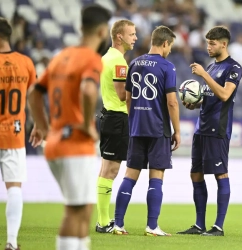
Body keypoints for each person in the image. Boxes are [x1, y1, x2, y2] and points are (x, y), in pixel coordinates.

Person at [27, 5, 111, 250]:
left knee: (81, 210)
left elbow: (34, 93)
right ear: (102, 31)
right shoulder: (91, 59)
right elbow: (87, 89)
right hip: (75, 144)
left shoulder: (61, 55)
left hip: (54, 143)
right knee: (76, 211)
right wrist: (87, 125)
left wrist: (42, 127)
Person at [112, 25, 180, 236]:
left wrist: (134, 120)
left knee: (130, 175)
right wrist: (177, 130)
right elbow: (172, 102)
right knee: (156, 177)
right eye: (170, 46)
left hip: (137, 127)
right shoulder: (167, 67)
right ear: (165, 43)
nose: (169, 51)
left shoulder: (134, 62)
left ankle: (118, 224)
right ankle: (152, 226)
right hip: (158, 129)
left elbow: (128, 97)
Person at [177, 26, 242, 236]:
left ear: (224, 44)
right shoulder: (212, 67)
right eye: (207, 43)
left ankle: (218, 227)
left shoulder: (234, 68)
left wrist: (204, 75)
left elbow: (224, 95)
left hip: (218, 128)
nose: (208, 47)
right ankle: (199, 225)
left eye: (212, 43)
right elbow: (210, 98)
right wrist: (195, 104)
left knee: (220, 174)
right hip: (201, 127)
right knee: (195, 174)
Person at [0, 17, 37, 250]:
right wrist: (40, 126)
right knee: (14, 188)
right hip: (15, 133)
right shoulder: (26, 63)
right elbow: (34, 97)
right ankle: (11, 242)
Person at [95, 19, 137, 233]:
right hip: (118, 118)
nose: (135, 38)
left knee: (105, 169)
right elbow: (122, 95)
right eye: (131, 34)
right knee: (110, 171)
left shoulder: (106, 57)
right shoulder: (119, 61)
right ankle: (103, 223)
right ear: (119, 36)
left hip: (108, 116)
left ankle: (102, 220)